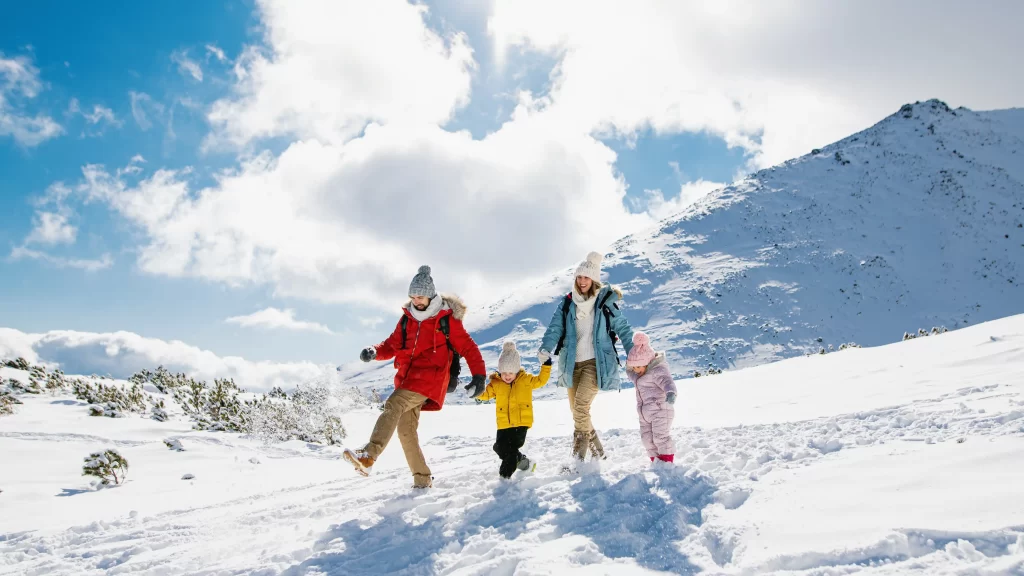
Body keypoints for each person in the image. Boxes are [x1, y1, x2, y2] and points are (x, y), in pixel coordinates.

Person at [343, 265, 487, 489]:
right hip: (407, 379)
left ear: (430, 296)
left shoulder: (446, 320)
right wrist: (374, 351)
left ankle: (369, 456)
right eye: (413, 297)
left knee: (394, 403)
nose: (416, 301)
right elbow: (391, 345)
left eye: (420, 297)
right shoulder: (407, 319)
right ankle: (422, 480)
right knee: (406, 432)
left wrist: (479, 376)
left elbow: (469, 348)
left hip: (430, 378)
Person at [537, 251, 635, 465]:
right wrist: (545, 348)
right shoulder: (567, 303)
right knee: (577, 412)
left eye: (586, 277)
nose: (582, 281)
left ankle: (577, 461)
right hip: (571, 364)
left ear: (594, 280)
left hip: (595, 364)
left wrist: (634, 352)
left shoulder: (605, 302)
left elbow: (623, 328)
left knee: (581, 409)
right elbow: (555, 328)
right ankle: (599, 455)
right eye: (579, 277)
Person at [474, 341, 552, 479]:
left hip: (521, 423)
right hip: (504, 424)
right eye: (504, 372)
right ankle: (525, 464)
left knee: (510, 453)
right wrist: (476, 391)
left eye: (511, 372)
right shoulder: (496, 383)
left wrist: (546, 365)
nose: (507, 375)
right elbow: (485, 394)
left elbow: (541, 380)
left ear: (516, 370)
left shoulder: (525, 380)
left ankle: (504, 478)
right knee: (499, 447)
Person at [625, 331, 677, 463]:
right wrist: (629, 365)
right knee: (647, 440)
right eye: (634, 367)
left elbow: (667, 381)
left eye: (638, 366)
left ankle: (667, 461)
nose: (636, 370)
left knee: (660, 437)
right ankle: (656, 462)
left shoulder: (657, 371)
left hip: (660, 410)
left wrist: (671, 392)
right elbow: (630, 372)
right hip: (644, 415)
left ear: (647, 363)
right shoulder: (638, 375)